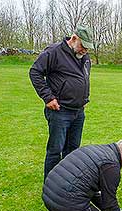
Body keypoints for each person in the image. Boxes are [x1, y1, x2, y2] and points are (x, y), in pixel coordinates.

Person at [29, 25, 93, 179]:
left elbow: (84, 78)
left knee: (73, 150)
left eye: (88, 48)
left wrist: (84, 98)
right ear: (74, 38)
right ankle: (51, 185)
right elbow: (35, 72)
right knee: (55, 150)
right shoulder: (54, 52)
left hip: (78, 112)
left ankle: (67, 183)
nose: (85, 50)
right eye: (83, 46)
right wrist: (48, 97)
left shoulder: (84, 57)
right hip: (60, 111)